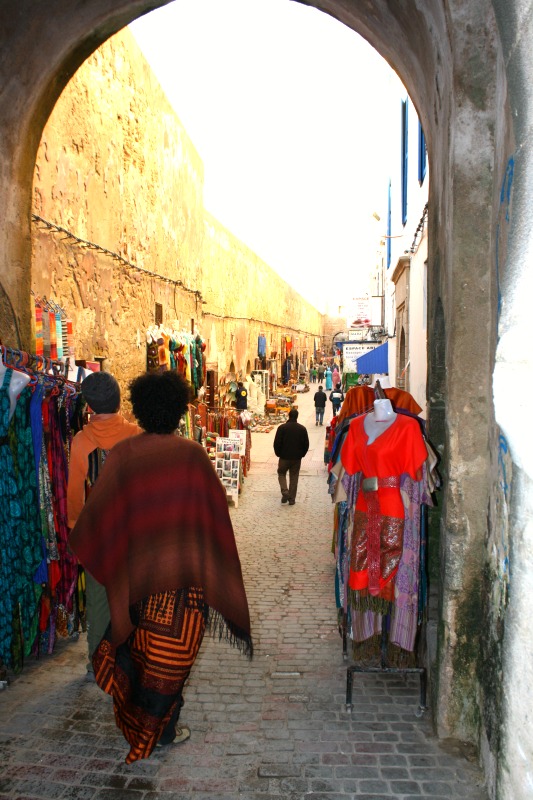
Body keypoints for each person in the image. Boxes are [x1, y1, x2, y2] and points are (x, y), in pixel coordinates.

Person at [69, 370, 253, 763]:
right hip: (184, 584)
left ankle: (145, 726)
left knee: (141, 655)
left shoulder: (123, 455)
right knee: (172, 661)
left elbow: (97, 520)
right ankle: (164, 728)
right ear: (177, 409)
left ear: (139, 408)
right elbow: (215, 517)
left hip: (138, 582)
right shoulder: (193, 456)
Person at [67, 371, 142, 678]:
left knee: (98, 601)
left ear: (89, 406)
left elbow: (75, 495)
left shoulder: (82, 442)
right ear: (119, 401)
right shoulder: (136, 435)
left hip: (98, 535)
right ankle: (132, 658)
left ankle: (97, 663)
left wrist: (75, 528)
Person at [273, 407, 309, 505]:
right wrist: (302, 454)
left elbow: (276, 443)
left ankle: (285, 491)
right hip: (296, 458)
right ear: (297, 416)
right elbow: (306, 444)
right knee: (294, 477)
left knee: (281, 473)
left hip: (284, 457)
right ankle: (292, 499)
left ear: (289, 416)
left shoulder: (282, 428)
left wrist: (278, 453)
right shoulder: (302, 429)